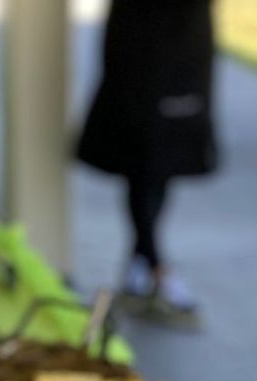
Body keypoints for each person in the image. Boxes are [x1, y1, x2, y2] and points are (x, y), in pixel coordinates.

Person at [76, 0, 218, 328]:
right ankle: (154, 266)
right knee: (142, 158)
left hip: (184, 45)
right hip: (141, 46)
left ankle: (141, 266)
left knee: (163, 161)